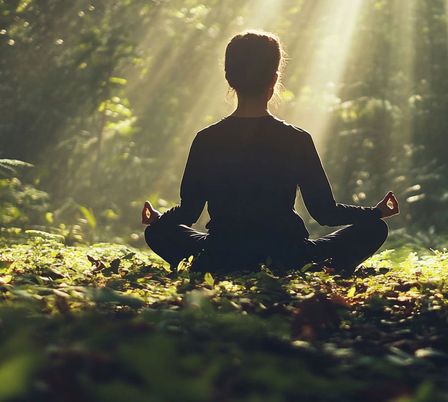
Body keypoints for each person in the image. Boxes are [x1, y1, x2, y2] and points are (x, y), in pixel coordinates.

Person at [141, 30, 399, 274]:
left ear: (229, 78)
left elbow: (189, 213)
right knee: (374, 229)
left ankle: (213, 264)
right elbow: (324, 212)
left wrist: (159, 220)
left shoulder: (206, 139)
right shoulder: (296, 139)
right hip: (288, 255)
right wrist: (375, 213)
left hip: (222, 254)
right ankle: (319, 268)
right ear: (274, 79)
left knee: (156, 232)